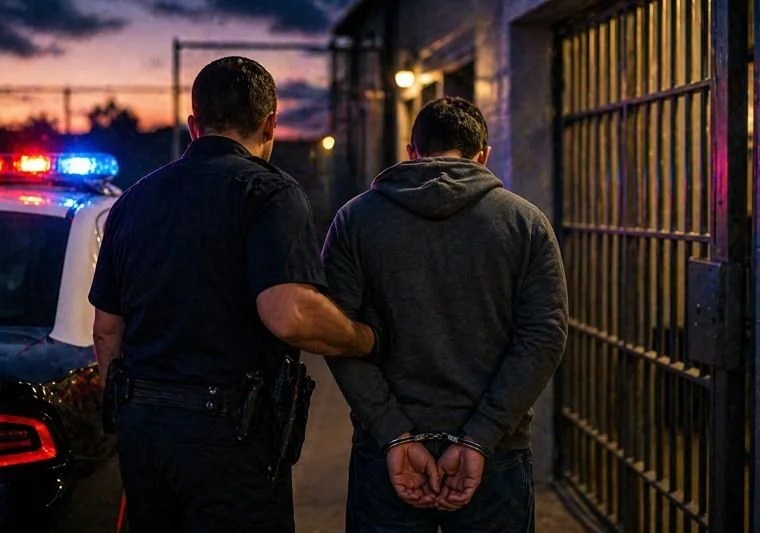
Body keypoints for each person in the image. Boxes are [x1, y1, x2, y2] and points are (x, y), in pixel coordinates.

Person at [89, 56, 377, 533]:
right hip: (230, 437)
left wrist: (139, 411)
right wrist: (363, 338)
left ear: (193, 125)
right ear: (270, 123)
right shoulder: (269, 193)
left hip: (143, 431)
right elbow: (288, 314)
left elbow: (106, 332)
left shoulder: (132, 200)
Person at [322, 96, 569, 532]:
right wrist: (481, 435)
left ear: (411, 151)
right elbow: (544, 337)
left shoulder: (355, 220)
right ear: (484, 156)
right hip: (495, 451)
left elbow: (335, 333)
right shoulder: (525, 223)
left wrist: (392, 430)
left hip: (387, 449)